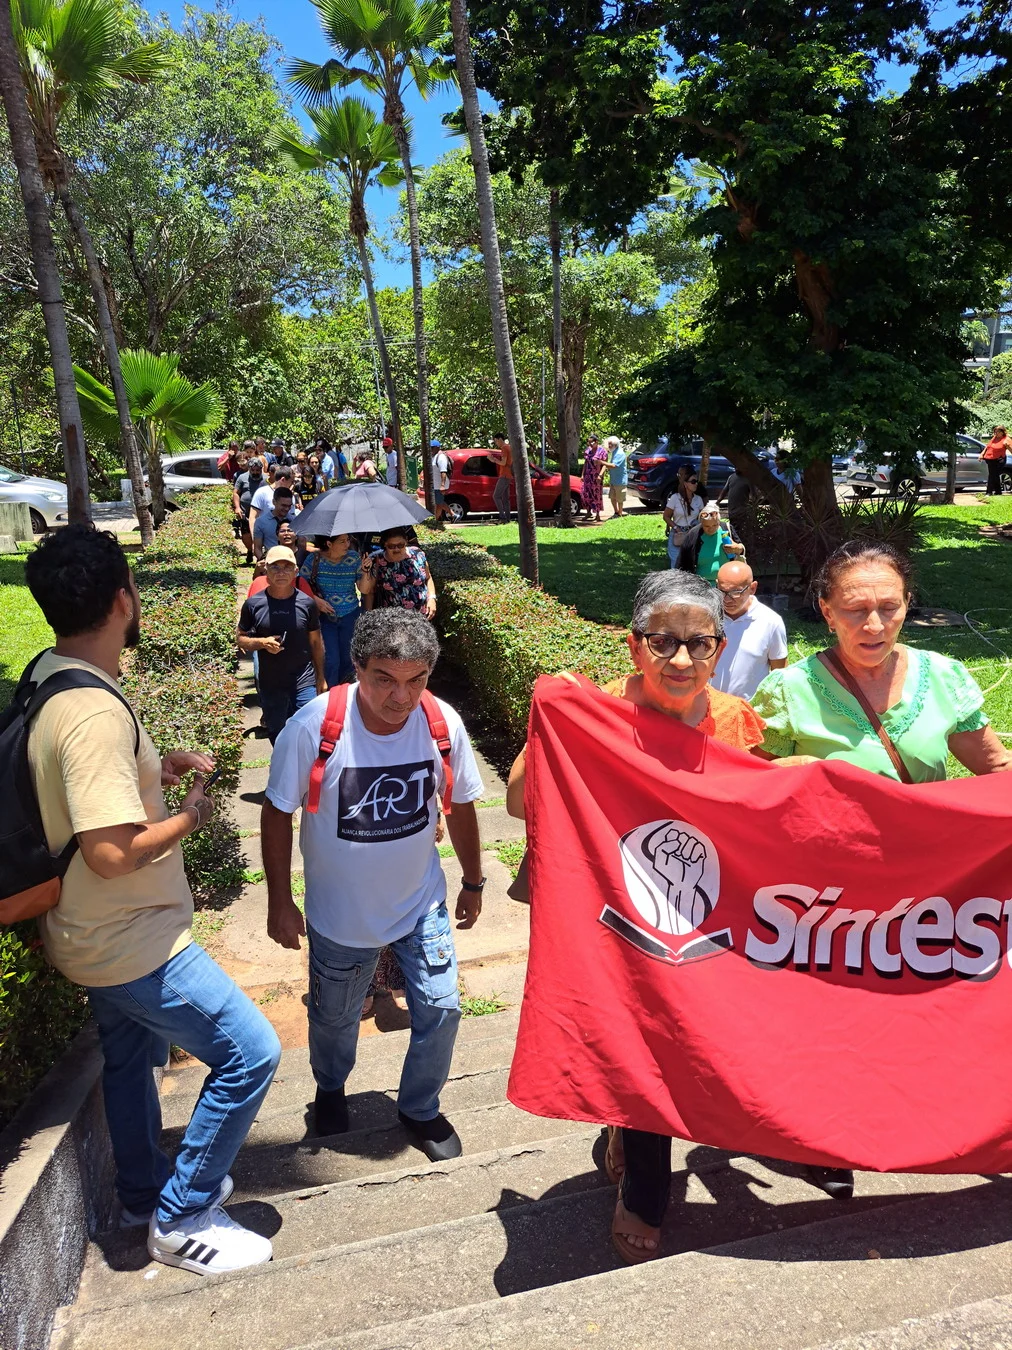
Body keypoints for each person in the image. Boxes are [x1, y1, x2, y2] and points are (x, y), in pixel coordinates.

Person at [22, 525, 280, 1275]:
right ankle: (181, 1214)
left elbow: (76, 794)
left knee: (130, 1059)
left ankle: (140, 1193)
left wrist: (148, 772)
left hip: (85, 930)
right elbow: (108, 852)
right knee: (250, 1053)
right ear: (124, 601)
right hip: (129, 939)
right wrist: (189, 817)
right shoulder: (96, 713)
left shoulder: (54, 674)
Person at [506, 570, 766, 1262]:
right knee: (643, 1037)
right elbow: (515, 801)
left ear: (719, 646)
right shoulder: (596, 713)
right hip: (614, 912)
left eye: (699, 643)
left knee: (690, 1040)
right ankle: (646, 1190)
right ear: (633, 646)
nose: (680, 660)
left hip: (705, 916)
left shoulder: (737, 720)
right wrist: (555, 719)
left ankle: (626, 1121)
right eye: (663, 642)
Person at [261, 609, 486, 1160]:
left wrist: (473, 880)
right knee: (335, 1019)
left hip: (420, 901)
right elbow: (276, 812)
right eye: (385, 679)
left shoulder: (441, 723)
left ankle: (419, 1108)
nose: (401, 697)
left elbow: (458, 806)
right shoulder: (314, 727)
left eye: (416, 680)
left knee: (441, 1006)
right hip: (341, 915)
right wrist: (279, 900)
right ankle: (330, 1088)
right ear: (357, 667)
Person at [752, 539, 1012, 783]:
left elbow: (996, 768)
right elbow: (748, 781)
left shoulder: (943, 677)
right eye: (856, 610)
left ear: (907, 604)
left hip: (923, 832)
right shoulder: (788, 691)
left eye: (889, 608)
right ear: (827, 612)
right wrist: (787, 771)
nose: (875, 626)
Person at [237, 546, 326, 743]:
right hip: (271, 684)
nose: (281, 572)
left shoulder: (307, 603)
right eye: (275, 567)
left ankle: (305, 773)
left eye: (287, 567)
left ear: (296, 571)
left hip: (304, 680)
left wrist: (321, 677)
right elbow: (240, 639)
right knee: (277, 735)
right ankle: (282, 770)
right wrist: (261, 642)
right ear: (265, 570)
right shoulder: (253, 604)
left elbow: (316, 642)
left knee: (310, 732)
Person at [712, 561, 788, 698]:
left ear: (752, 588)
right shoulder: (707, 616)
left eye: (735, 592)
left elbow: (780, 674)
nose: (726, 599)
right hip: (708, 706)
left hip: (749, 710)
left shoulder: (770, 622)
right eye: (721, 591)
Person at [301, 534, 363, 686]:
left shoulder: (354, 558)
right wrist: (315, 600)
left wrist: (367, 571)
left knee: (349, 659)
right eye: (342, 541)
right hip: (325, 618)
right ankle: (330, 699)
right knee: (330, 660)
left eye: (348, 540)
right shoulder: (314, 559)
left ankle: (347, 696)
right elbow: (299, 583)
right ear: (329, 543)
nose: (347, 544)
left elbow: (363, 588)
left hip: (350, 615)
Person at [359, 528, 436, 618]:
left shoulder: (418, 554)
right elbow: (369, 592)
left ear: (406, 542)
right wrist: (369, 617)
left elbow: (428, 578)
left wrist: (432, 598)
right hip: (391, 619)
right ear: (385, 544)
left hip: (420, 616)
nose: (396, 549)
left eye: (400, 545)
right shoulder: (377, 560)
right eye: (391, 546)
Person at [676, 500, 745, 579]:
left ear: (719, 522)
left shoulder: (726, 529)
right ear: (701, 524)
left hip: (726, 584)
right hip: (702, 586)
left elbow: (741, 549)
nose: (711, 529)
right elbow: (682, 562)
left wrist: (738, 548)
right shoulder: (693, 535)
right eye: (707, 526)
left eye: (715, 525)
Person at [662, 467, 702, 568]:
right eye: (693, 481)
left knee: (690, 563)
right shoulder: (675, 498)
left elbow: (702, 517)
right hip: (678, 533)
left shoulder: (698, 499)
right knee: (675, 564)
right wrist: (675, 528)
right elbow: (666, 516)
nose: (696, 484)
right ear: (685, 484)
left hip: (692, 534)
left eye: (696, 481)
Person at [232, 455, 265, 565]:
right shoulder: (242, 478)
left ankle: (261, 555)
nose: (255, 472)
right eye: (253, 470)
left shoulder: (266, 479)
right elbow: (236, 493)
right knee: (246, 534)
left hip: (261, 512)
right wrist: (237, 507)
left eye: (257, 470)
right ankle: (250, 550)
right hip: (245, 511)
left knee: (261, 534)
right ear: (249, 469)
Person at [252, 487, 297, 561]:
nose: (286, 509)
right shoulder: (261, 521)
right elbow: (257, 548)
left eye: (289, 506)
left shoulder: (295, 520)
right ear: (274, 502)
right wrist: (265, 563)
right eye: (283, 505)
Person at [722, 466, 754, 544]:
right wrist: (718, 501)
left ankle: (742, 546)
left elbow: (753, 495)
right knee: (732, 529)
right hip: (732, 510)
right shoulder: (731, 477)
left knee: (740, 531)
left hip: (742, 511)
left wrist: (751, 503)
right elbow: (724, 491)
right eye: (735, 467)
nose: (737, 468)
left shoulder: (748, 479)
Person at [581, 435, 607, 523]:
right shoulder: (588, 450)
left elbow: (605, 465)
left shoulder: (602, 451)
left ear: (596, 442)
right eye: (589, 442)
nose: (590, 444)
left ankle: (598, 515)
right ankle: (588, 512)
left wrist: (600, 475)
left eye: (591, 442)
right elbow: (585, 462)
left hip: (596, 477)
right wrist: (582, 474)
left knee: (596, 495)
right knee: (587, 494)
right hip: (588, 476)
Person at [489, 432, 513, 524]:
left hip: (504, 475)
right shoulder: (509, 447)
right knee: (505, 498)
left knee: (496, 496)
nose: (496, 443)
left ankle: (503, 517)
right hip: (508, 475)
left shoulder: (504, 448)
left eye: (496, 441)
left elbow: (503, 463)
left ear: (500, 439)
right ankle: (507, 518)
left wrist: (493, 460)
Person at [980, 425, 1010, 496]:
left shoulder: (1006, 439)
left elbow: (1010, 448)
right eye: (995, 432)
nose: (996, 433)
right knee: (995, 475)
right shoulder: (994, 438)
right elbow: (987, 446)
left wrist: (1008, 446)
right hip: (990, 459)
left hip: (999, 460)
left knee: (992, 475)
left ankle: (989, 492)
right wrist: (982, 454)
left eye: (998, 432)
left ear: (1003, 432)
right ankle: (998, 491)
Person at [603, 436, 628, 517]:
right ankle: (616, 512)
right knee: (612, 497)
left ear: (615, 445)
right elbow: (610, 466)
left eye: (611, 444)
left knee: (620, 499)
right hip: (613, 480)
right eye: (609, 444)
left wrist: (601, 462)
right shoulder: (614, 452)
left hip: (620, 480)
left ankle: (620, 513)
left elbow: (614, 465)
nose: (609, 446)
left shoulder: (620, 453)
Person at [432, 441, 451, 523]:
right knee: (438, 503)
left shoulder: (441, 457)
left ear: (437, 447)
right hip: (436, 484)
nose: (430, 449)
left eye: (432, 447)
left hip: (439, 485)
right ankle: (436, 520)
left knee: (439, 502)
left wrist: (442, 485)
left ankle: (453, 514)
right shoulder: (434, 456)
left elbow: (443, 471)